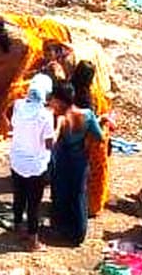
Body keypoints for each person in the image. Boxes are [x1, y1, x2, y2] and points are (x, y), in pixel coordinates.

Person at [48, 81, 103, 246]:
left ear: (60, 100)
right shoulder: (87, 114)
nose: (51, 102)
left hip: (62, 161)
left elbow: (53, 139)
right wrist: (100, 121)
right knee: (79, 195)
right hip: (80, 161)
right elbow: (99, 136)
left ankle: (61, 229)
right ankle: (78, 234)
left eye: (53, 99)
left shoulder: (60, 118)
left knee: (61, 194)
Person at [9, 73, 54, 252]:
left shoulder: (18, 106)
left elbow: (13, 125)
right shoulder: (46, 115)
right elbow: (49, 144)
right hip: (36, 165)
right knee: (34, 204)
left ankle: (17, 226)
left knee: (19, 196)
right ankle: (33, 241)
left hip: (17, 161)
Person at [72, 61, 112, 219]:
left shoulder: (69, 89)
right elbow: (91, 122)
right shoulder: (86, 97)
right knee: (91, 173)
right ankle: (88, 206)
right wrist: (103, 119)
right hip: (86, 140)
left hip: (69, 137)